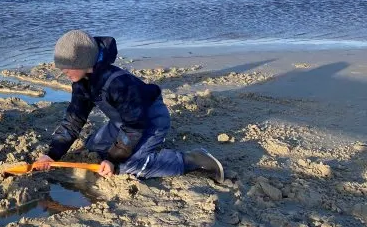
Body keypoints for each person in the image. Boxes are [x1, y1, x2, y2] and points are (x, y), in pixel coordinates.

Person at [34, 30, 225, 183]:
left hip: (149, 120)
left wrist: (113, 159)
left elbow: (135, 126)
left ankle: (193, 160)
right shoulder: (81, 82)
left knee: (125, 167)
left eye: (67, 66)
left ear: (84, 61)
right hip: (121, 123)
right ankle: (133, 151)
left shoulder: (118, 83)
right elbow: (73, 120)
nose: (63, 71)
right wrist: (52, 154)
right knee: (93, 148)